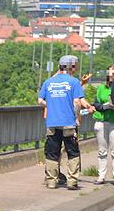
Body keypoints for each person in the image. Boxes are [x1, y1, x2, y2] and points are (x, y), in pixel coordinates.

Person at [38, 54, 93, 190]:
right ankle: (72, 181)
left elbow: (40, 101)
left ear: (59, 66)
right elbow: (76, 102)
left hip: (52, 123)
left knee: (52, 152)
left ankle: (51, 181)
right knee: (72, 152)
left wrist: (52, 105)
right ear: (70, 67)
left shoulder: (48, 82)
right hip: (68, 123)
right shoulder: (73, 82)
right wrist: (76, 115)